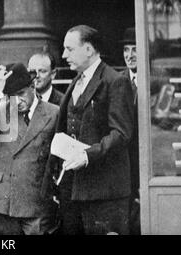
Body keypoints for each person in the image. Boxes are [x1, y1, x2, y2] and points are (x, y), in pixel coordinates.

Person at [55, 25, 135, 235]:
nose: (64, 55)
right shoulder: (75, 82)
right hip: (74, 191)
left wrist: (87, 156)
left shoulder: (115, 81)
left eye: (69, 49)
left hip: (105, 193)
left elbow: (121, 134)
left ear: (89, 50)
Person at [0, 63, 59, 235]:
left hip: (36, 200)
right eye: (11, 96)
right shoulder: (3, 111)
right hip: (4, 200)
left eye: (21, 94)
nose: (17, 101)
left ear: (32, 86)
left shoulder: (54, 113)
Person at [120, 26, 140, 235]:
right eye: (126, 50)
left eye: (135, 49)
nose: (130, 55)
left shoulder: (156, 79)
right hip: (125, 161)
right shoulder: (119, 81)